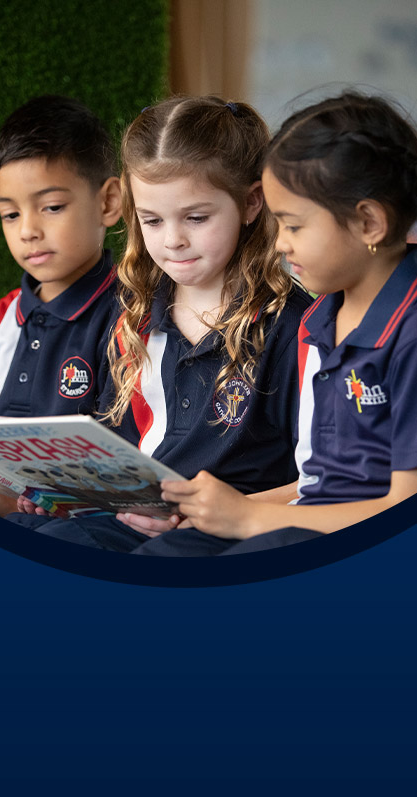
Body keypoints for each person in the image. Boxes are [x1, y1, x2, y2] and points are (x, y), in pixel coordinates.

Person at [7, 94, 311, 551]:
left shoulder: (292, 327)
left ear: (250, 203)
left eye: (196, 217)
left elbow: (315, 482)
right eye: (151, 220)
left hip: (220, 534)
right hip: (132, 520)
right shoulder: (135, 314)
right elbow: (122, 455)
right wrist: (67, 492)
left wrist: (223, 514)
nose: (173, 241)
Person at [153, 90, 417, 555]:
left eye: (293, 226)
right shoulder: (319, 319)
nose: (280, 244)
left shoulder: (408, 330)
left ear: (370, 223)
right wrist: (217, 511)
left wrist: (251, 517)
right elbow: (315, 483)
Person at [0, 94, 122, 514]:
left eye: (51, 207)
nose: (28, 231)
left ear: (108, 202)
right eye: (10, 215)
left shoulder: (134, 319)